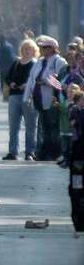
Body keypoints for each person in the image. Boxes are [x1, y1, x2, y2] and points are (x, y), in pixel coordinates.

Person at [25, 35, 67, 162]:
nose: (42, 50)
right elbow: (31, 80)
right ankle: (44, 151)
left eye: (45, 47)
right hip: (39, 99)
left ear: (52, 49)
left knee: (53, 127)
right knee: (44, 127)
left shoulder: (59, 62)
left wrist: (48, 81)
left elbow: (62, 82)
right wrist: (27, 97)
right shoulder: (40, 62)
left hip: (52, 100)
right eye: (41, 47)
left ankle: (55, 152)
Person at [4, 39, 39, 161]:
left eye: (29, 49)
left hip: (28, 97)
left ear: (34, 50)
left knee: (30, 125)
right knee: (13, 126)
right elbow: (7, 78)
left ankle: (30, 152)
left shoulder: (35, 64)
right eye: (24, 49)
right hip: (14, 96)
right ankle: (12, 152)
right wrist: (11, 83)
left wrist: (27, 85)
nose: (26, 51)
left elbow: (37, 79)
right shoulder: (16, 63)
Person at [66, 83, 84, 237]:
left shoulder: (74, 111)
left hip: (78, 157)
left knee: (77, 190)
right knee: (77, 189)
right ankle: (78, 222)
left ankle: (78, 222)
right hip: (78, 157)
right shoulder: (75, 111)